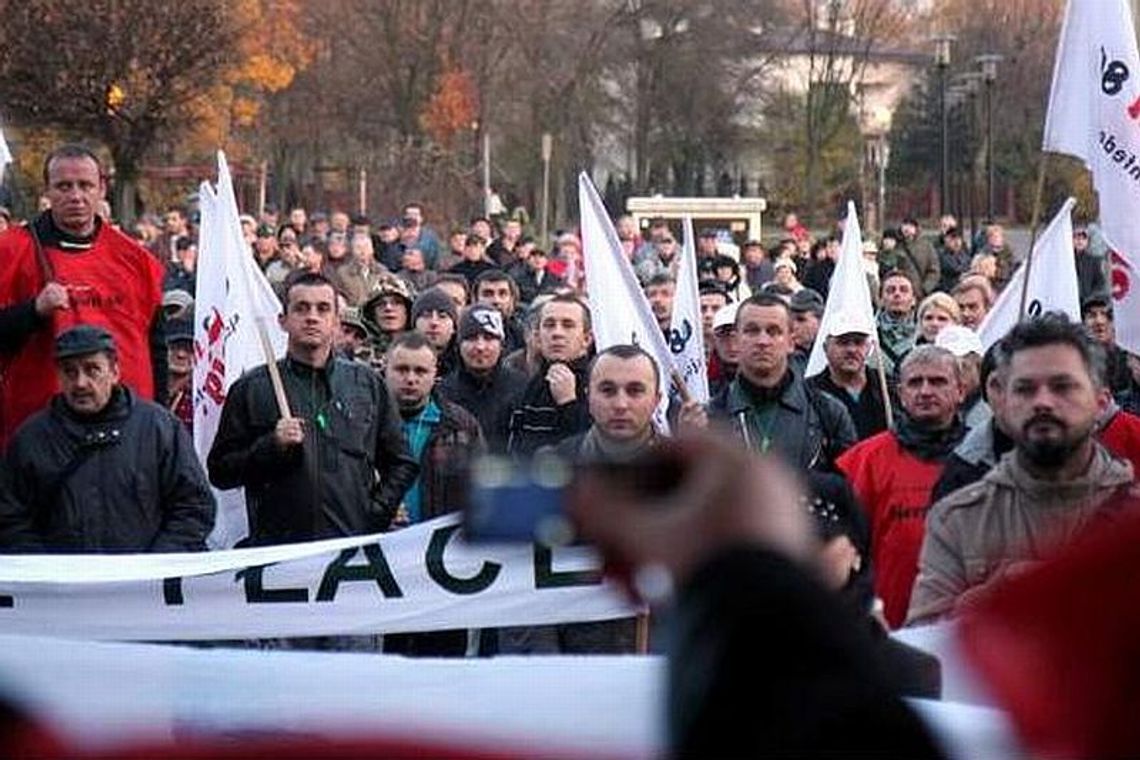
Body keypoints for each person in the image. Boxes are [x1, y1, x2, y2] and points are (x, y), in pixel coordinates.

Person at [567, 432, 942, 757]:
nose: (805, 557)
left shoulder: (912, 671)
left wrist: (743, 572)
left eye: (821, 544)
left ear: (856, 552)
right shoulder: (710, 665)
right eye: (797, 545)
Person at [908, 313, 1136, 625]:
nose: (1043, 402)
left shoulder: (1131, 515)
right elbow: (928, 650)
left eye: (1062, 386)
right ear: (1001, 400)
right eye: (1025, 389)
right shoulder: (958, 520)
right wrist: (991, 602)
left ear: (1100, 402)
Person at [208, 272, 418, 545]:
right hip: (278, 554)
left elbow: (401, 463)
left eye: (323, 309)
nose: (312, 317)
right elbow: (221, 472)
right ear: (282, 321)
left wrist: (373, 515)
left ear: (336, 322)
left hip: (349, 550)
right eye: (301, 308)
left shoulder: (366, 383)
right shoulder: (252, 388)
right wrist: (270, 446)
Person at [0, 144, 167, 448]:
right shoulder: (10, 251)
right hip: (42, 438)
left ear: (102, 189)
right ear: (47, 191)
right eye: (64, 186)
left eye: (85, 185)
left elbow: (156, 346)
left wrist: (162, 420)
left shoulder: (137, 260)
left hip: (126, 435)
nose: (75, 196)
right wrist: (34, 311)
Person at [0, 325, 214, 551]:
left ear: (114, 371)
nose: (81, 382)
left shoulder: (159, 430)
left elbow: (193, 506)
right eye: (70, 372)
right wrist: (47, 573)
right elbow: (10, 518)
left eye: (92, 369)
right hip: (60, 581)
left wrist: (154, 567)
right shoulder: (31, 439)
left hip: (143, 580)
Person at [837, 346, 966, 628]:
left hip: (967, 625)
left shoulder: (983, 456)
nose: (925, 391)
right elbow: (845, 550)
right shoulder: (864, 461)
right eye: (915, 382)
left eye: (938, 381)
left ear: (960, 391)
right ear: (900, 394)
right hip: (889, 625)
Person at [709, 293, 856, 472]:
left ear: (791, 342)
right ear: (737, 339)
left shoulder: (827, 412)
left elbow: (847, 486)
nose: (762, 341)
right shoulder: (712, 415)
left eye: (773, 331)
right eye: (752, 331)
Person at [504, 295, 593, 456]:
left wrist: (568, 404)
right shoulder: (524, 389)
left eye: (568, 325)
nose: (557, 333)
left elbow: (598, 449)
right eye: (549, 325)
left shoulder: (601, 385)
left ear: (586, 339)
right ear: (537, 336)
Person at [438, 305, 527, 452]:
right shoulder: (443, 393)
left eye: (488, 338)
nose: (480, 347)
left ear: (501, 345)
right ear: (459, 345)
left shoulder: (522, 387)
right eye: (472, 338)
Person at [808, 325, 890, 440]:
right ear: (826, 348)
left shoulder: (888, 388)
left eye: (858, 342)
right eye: (843, 342)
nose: (851, 350)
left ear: (869, 347)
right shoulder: (808, 392)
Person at [473, 269, 526, 354]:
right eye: (488, 294)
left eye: (503, 294)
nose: (496, 300)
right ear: (475, 299)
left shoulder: (522, 336)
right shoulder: (463, 337)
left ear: (512, 300)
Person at [877, 271, 918, 375]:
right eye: (890, 290)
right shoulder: (869, 333)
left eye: (904, 290)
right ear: (880, 300)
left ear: (913, 299)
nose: (897, 294)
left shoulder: (923, 334)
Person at [898, 218, 941, 298]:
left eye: (910, 225)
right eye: (905, 225)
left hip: (919, 293)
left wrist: (926, 288)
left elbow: (934, 269)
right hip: (900, 292)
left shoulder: (926, 247)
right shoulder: (896, 245)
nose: (907, 228)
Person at [1073, 225, 1108, 303]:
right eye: (1076, 237)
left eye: (1083, 238)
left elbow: (1100, 283)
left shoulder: (1094, 261)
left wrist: (1090, 299)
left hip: (1086, 302)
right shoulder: (1067, 259)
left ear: (1088, 241)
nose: (1080, 241)